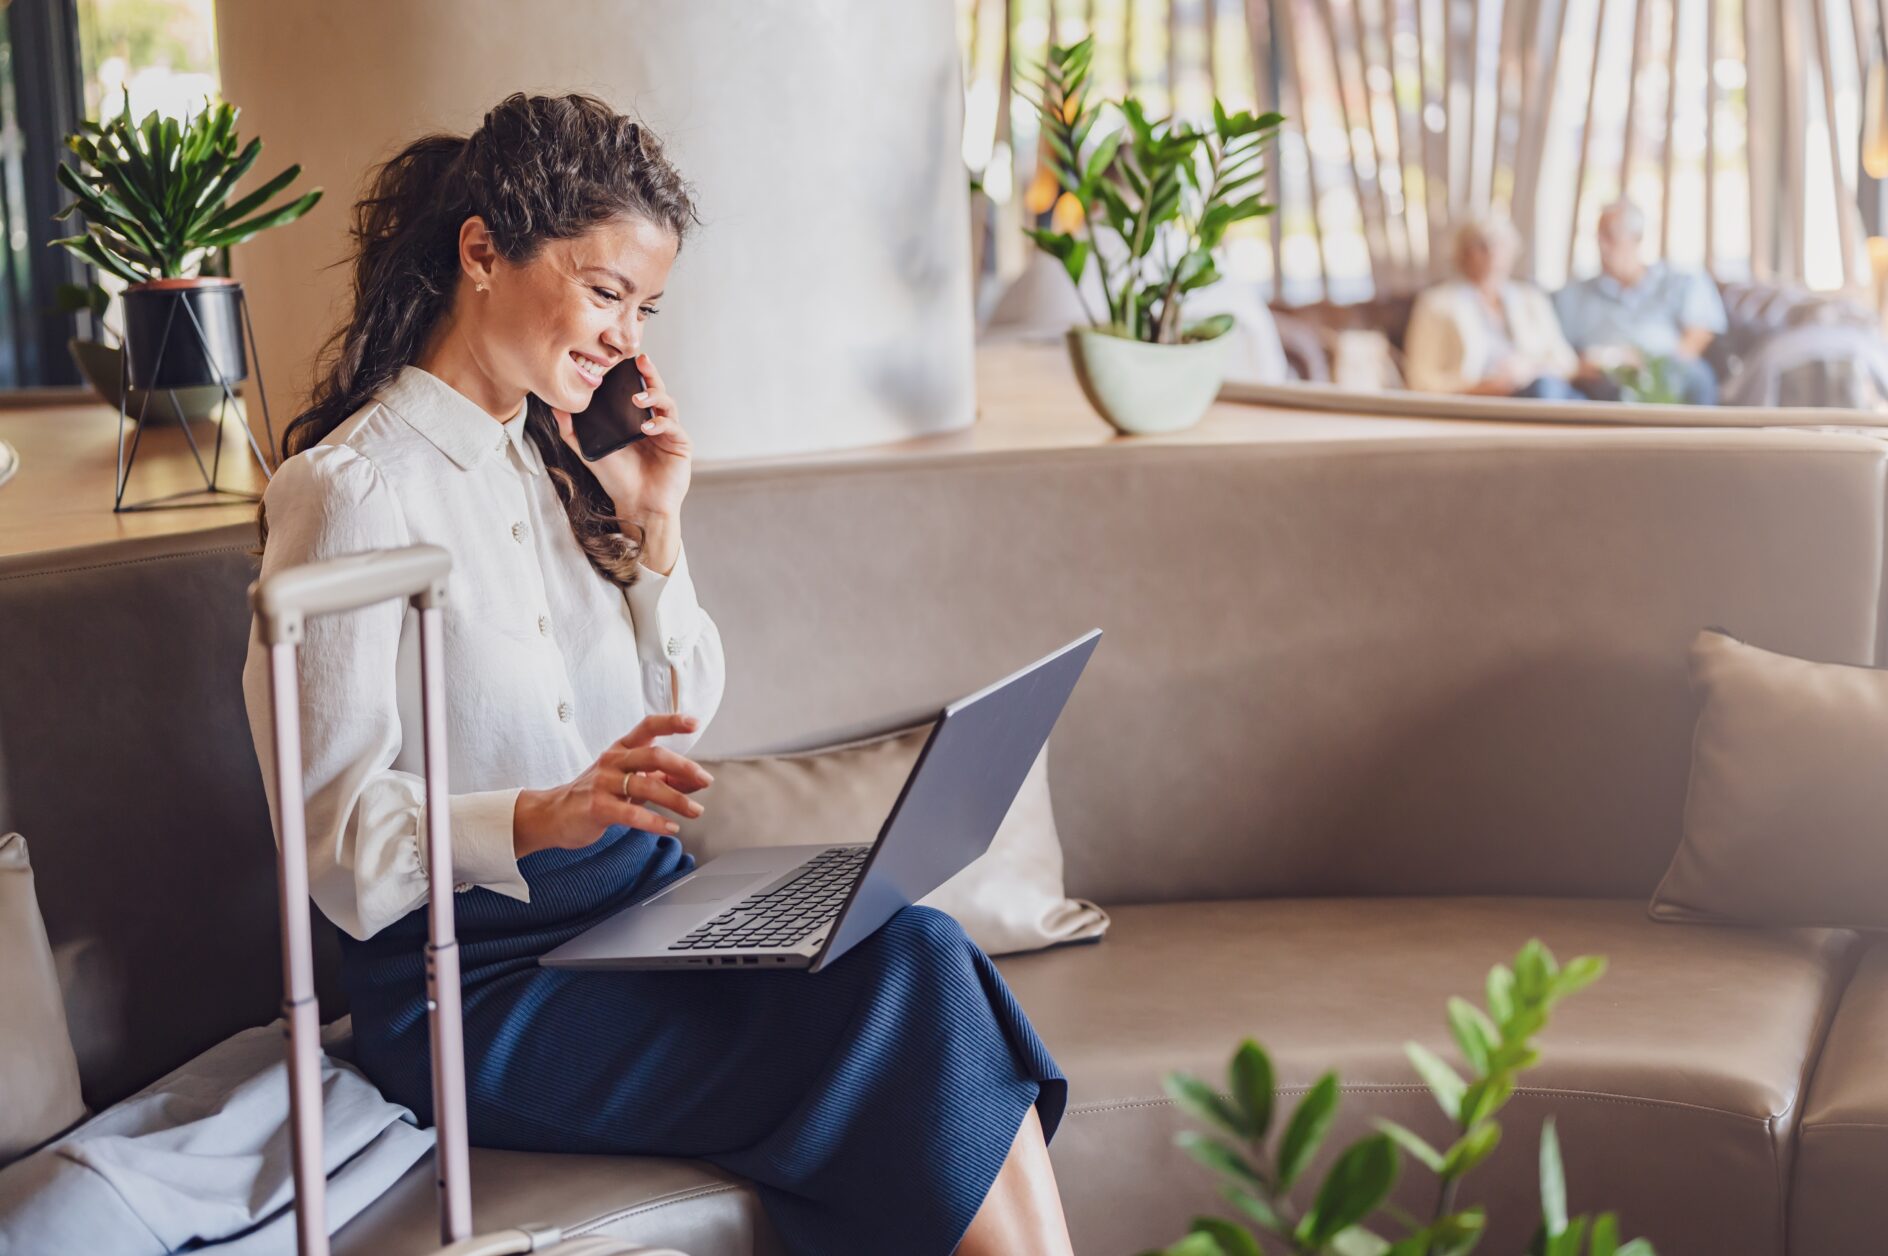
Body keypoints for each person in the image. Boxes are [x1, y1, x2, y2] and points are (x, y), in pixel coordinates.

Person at [240, 93, 1074, 1256]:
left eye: (644, 306)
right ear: (481, 250)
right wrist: (540, 814)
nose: (625, 339)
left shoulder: (557, 461)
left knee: (917, 944)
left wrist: (656, 528)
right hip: (482, 989)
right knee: (902, 991)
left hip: (643, 913)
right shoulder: (353, 491)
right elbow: (331, 844)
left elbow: (678, 710)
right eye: (602, 291)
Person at [1554, 199, 1728, 404]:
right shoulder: (1573, 295)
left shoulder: (1680, 281)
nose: (1602, 245)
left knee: (1696, 376)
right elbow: (1560, 353)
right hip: (1600, 378)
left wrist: (1652, 365)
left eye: (1610, 236)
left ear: (1637, 238)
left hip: (1664, 369)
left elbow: (1698, 335)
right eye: (1598, 237)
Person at [1402, 217, 1582, 399]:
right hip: (1479, 398)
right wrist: (1477, 388)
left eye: (1500, 245)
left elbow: (1565, 362)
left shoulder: (1531, 299)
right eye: (1481, 245)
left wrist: (1529, 370)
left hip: (1538, 389)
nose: (1492, 252)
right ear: (1462, 253)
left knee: (1546, 389)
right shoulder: (1436, 304)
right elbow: (1420, 379)